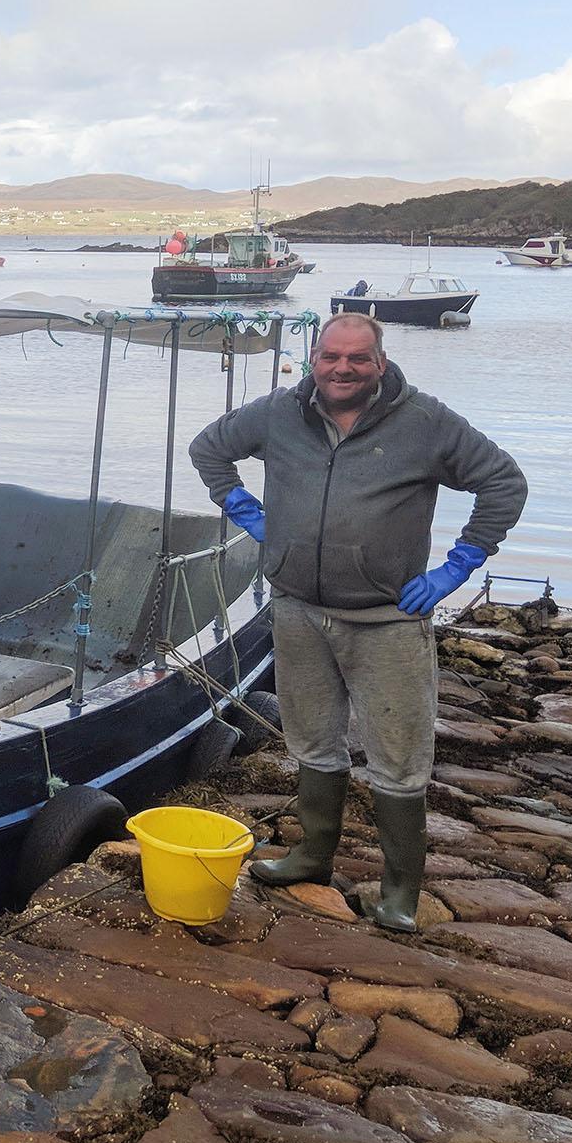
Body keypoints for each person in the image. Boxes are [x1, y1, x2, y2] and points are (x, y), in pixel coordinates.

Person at [188, 311, 526, 933]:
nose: (342, 369)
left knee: (398, 757)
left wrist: (459, 566)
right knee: (312, 739)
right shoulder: (277, 414)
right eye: (331, 357)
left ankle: (400, 891)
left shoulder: (426, 422)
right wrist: (247, 512)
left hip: (389, 620)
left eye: (358, 359)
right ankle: (313, 856)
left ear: (381, 362)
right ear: (315, 357)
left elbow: (503, 482)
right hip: (296, 609)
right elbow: (209, 448)